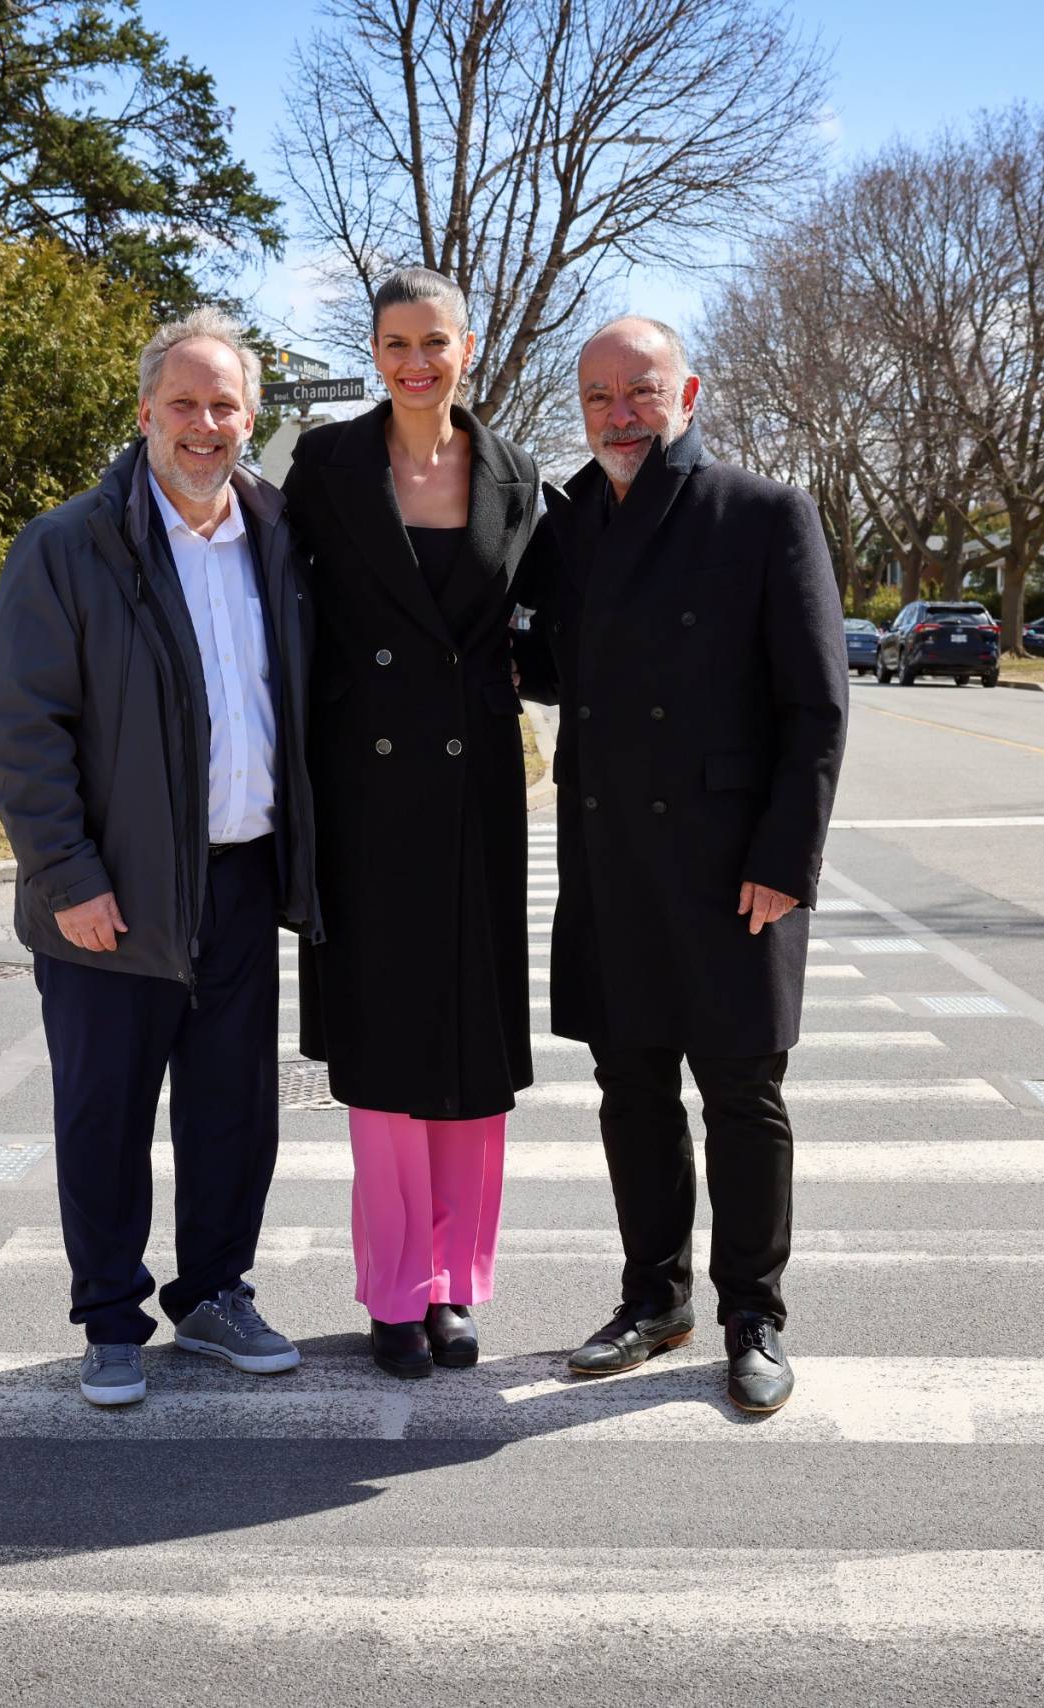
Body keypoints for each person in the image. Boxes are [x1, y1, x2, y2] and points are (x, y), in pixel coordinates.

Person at [0, 308, 321, 1409]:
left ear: (251, 418)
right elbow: (22, 731)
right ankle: (110, 1318)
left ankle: (215, 1293)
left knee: (232, 1109)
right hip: (110, 893)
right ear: (143, 415)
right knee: (104, 1113)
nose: (204, 424)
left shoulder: (275, 537)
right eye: (183, 403)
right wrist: (67, 876)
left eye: (225, 405)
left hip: (236, 877)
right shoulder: (70, 546)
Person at [515, 315, 849, 1415]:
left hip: (730, 864)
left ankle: (752, 1313)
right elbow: (538, 662)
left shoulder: (762, 513)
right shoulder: (563, 526)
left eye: (640, 392)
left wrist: (784, 858)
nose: (618, 415)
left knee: (743, 1095)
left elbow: (813, 705)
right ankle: (651, 1297)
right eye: (599, 396)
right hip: (610, 853)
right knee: (630, 1090)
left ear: (687, 392)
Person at [281, 268, 542, 1378]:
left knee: (470, 1050)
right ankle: (394, 1292)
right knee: (386, 1053)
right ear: (374, 349)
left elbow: (556, 620)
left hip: (476, 788)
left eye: (433, 341)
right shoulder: (327, 465)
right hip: (364, 793)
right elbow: (278, 610)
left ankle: (454, 1287)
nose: (414, 362)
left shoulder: (517, 473)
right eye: (394, 342)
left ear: (466, 346)